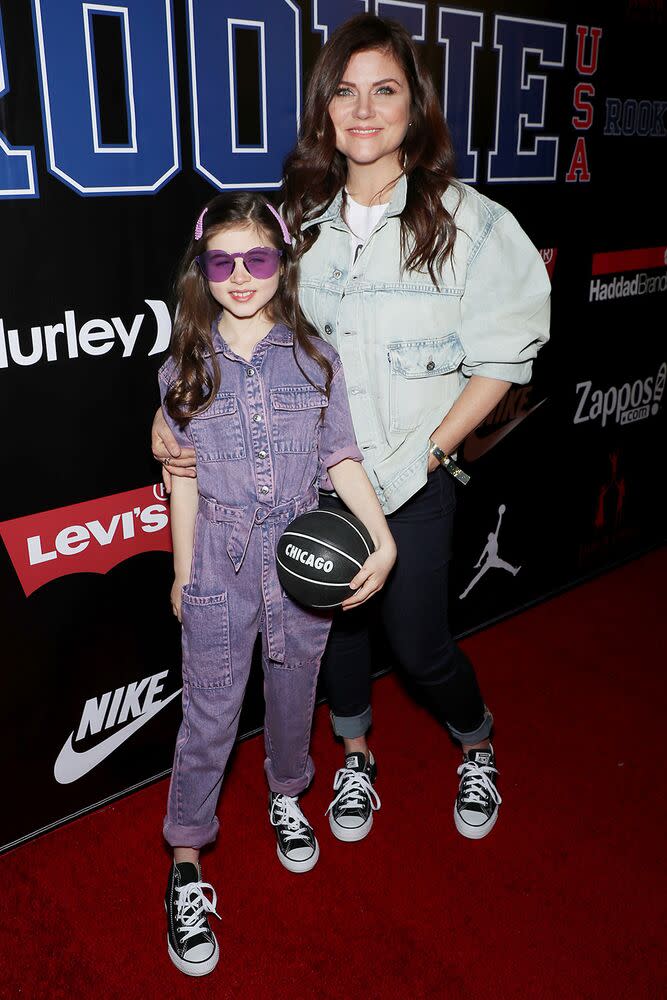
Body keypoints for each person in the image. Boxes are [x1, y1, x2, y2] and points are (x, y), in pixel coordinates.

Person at [153, 14, 550, 854]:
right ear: (323, 109)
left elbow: (507, 355)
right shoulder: (298, 223)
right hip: (305, 484)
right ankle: (356, 755)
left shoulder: (467, 221)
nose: (362, 110)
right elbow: (240, 333)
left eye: (384, 90)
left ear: (416, 107)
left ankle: (474, 741)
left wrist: (435, 450)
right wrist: (170, 411)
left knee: (417, 643)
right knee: (329, 646)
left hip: (408, 478)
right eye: (344, 90)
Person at [158, 191, 396, 977]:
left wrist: (383, 540)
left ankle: (287, 795)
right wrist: (182, 573)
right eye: (221, 261)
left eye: (256, 259)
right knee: (210, 710)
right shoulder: (183, 367)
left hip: (298, 555)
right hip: (219, 557)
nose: (239, 276)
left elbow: (342, 458)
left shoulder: (314, 356)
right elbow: (183, 480)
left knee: (294, 697)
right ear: (203, 270)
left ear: (281, 263)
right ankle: (186, 860)